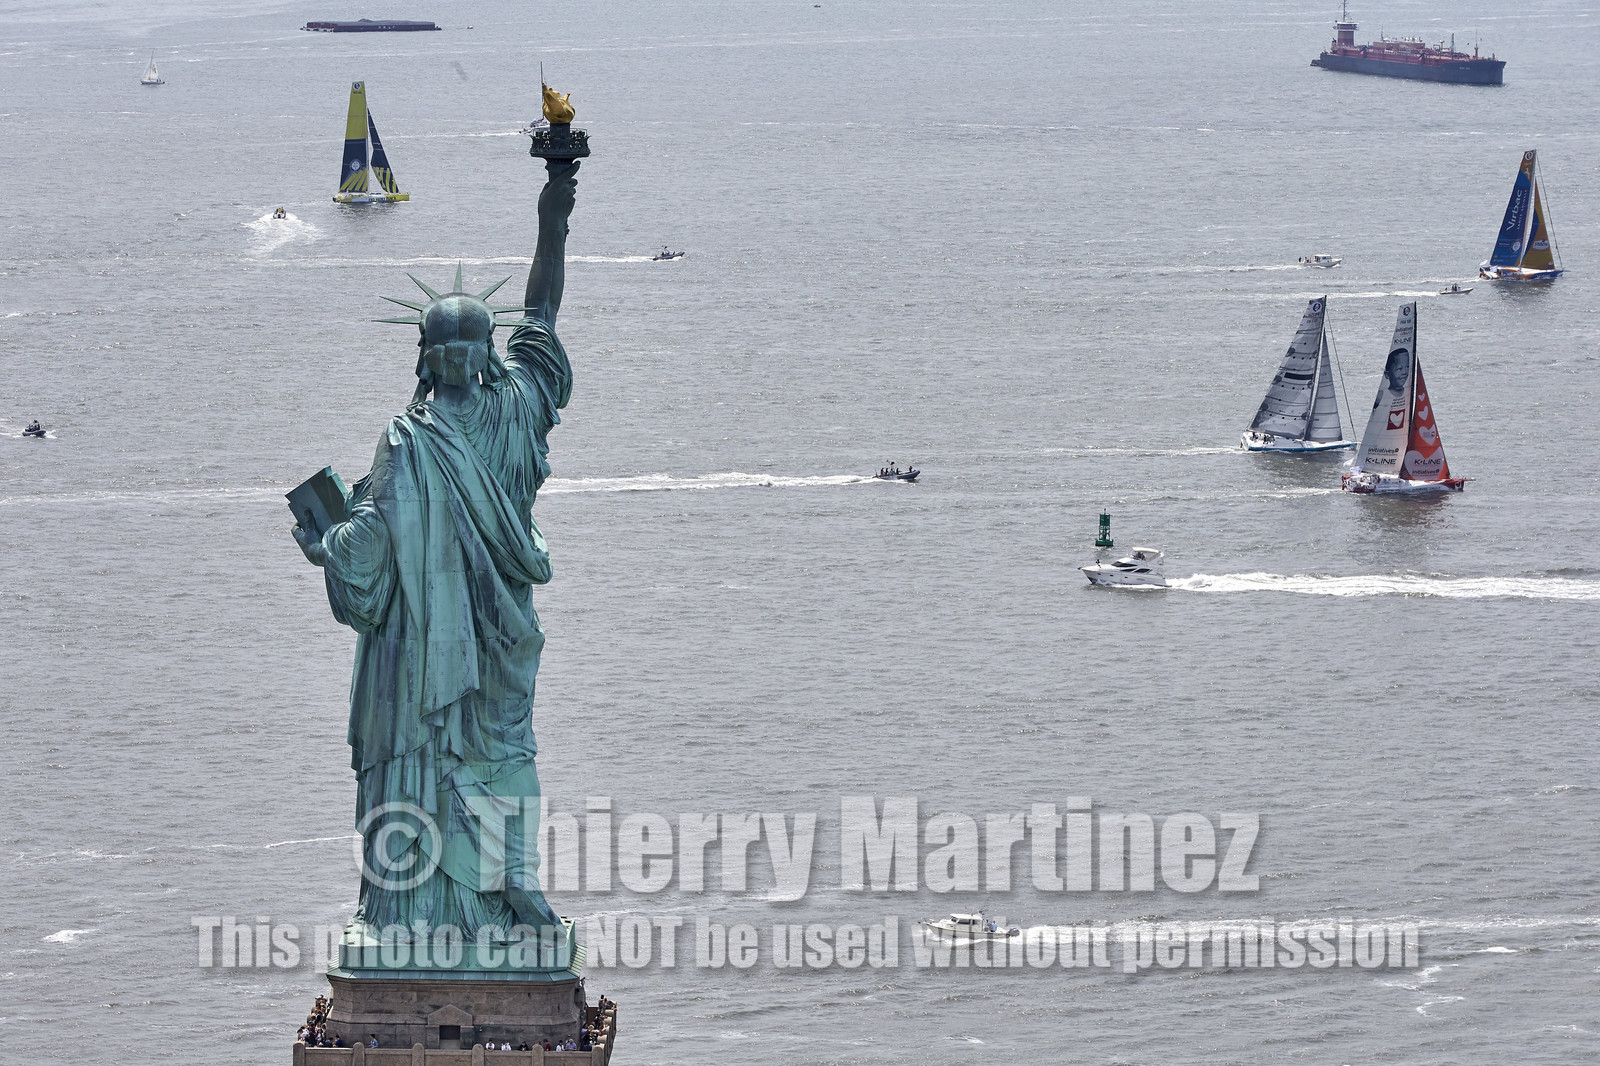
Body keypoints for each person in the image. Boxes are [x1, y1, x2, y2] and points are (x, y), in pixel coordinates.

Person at [292, 160, 582, 940]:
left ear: (423, 357)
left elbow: (369, 555)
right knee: (507, 752)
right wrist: (555, 206)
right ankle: (510, 880)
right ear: (487, 354)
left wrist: (325, 544)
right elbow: (544, 309)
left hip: (421, 661)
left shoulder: (405, 440)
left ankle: (413, 910)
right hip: (501, 640)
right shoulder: (519, 412)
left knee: (424, 757)